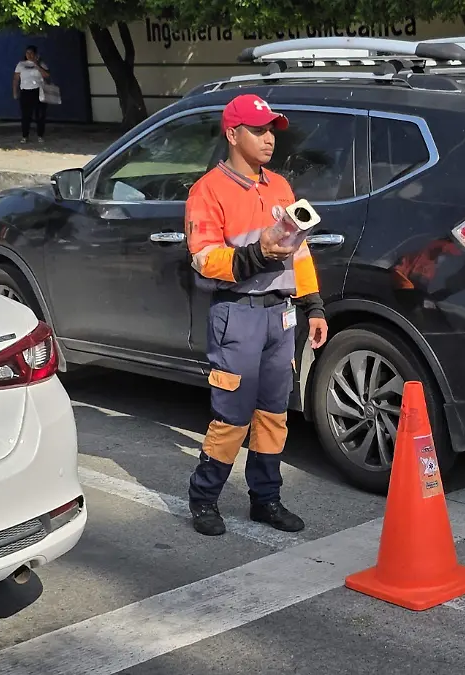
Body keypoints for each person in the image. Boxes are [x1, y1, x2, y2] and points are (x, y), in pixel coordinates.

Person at [183, 93, 329, 537]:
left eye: (271, 131)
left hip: (279, 317)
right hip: (238, 314)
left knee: (273, 415)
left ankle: (266, 499)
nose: (269, 140)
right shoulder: (207, 190)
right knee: (232, 416)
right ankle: (204, 500)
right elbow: (204, 258)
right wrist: (253, 257)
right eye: (259, 130)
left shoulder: (279, 187)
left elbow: (299, 253)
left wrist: (313, 306)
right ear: (232, 134)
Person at [12, 46, 51, 144]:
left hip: (38, 90)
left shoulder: (41, 64)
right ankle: (25, 135)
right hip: (25, 91)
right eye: (27, 53)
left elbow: (47, 75)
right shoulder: (21, 64)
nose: (29, 55)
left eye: (31, 53)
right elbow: (16, 79)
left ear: (35, 54)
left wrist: (37, 64)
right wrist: (15, 91)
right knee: (26, 115)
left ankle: (40, 135)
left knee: (40, 115)